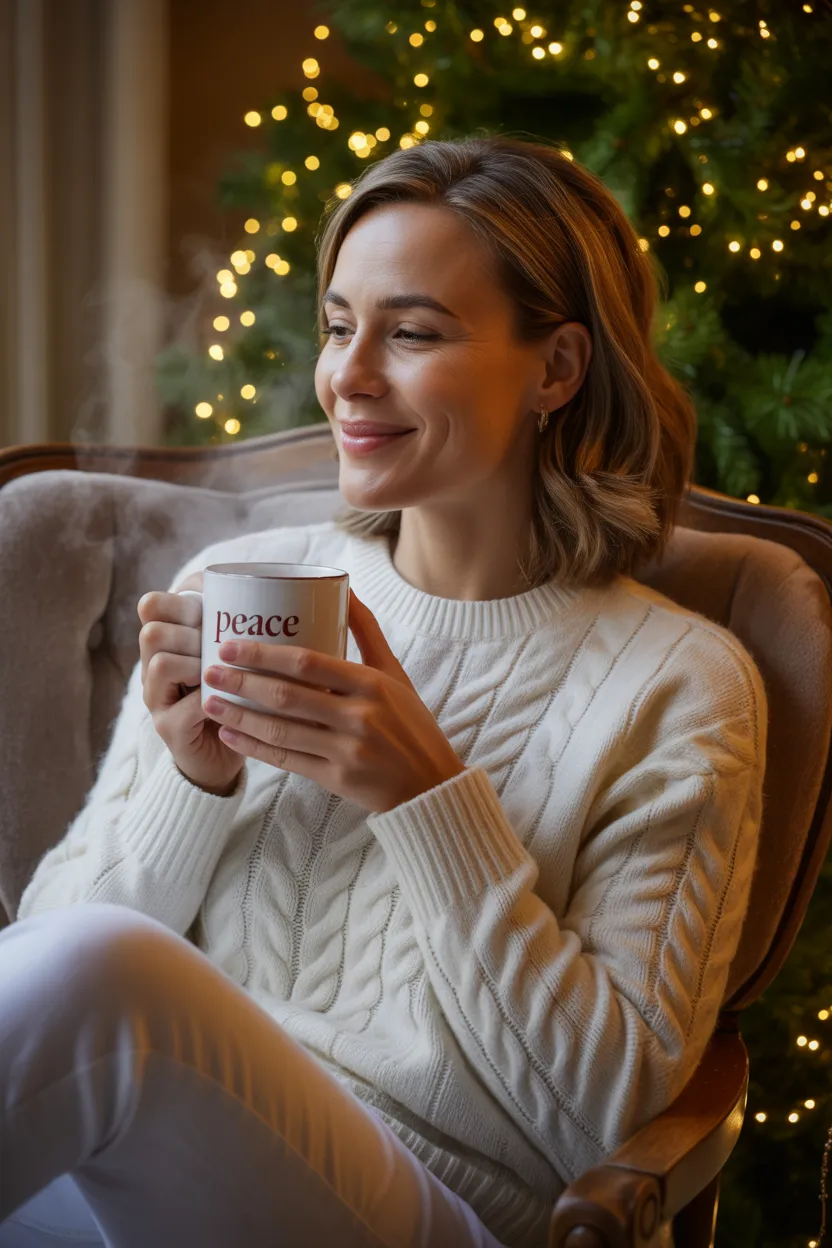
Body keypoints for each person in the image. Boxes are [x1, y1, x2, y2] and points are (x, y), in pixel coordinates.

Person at [0, 134, 768, 1248]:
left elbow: (605, 1119)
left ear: (556, 369)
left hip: (431, 1209)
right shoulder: (238, 584)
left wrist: (427, 797)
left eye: (410, 333)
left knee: (104, 971)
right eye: (337, 324)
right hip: (144, 1177)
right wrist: (188, 783)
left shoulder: (681, 686)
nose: (349, 376)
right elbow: (47, 963)